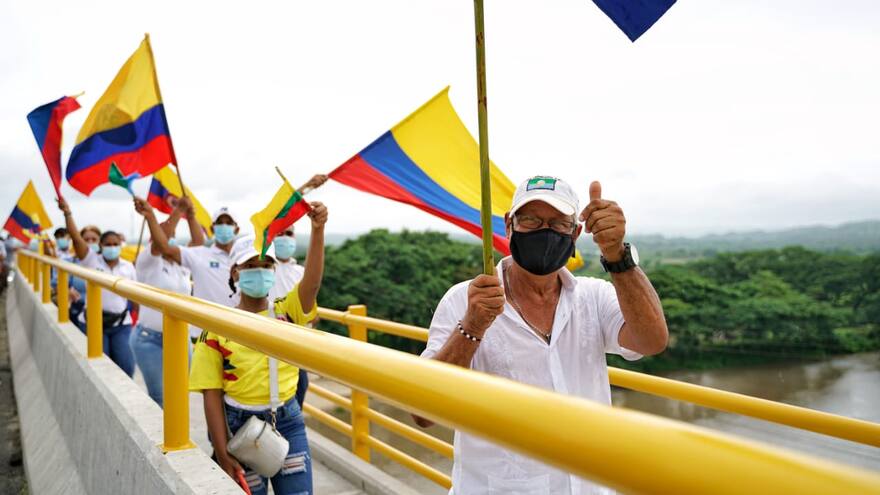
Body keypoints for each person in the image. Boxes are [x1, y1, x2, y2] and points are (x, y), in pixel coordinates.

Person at [416, 176, 668, 495]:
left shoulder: (594, 297)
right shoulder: (463, 301)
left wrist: (617, 255)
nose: (544, 231)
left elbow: (651, 341)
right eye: (531, 220)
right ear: (509, 225)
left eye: (559, 224)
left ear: (576, 233)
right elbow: (423, 413)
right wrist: (473, 327)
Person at [189, 200, 327, 495]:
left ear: (275, 271)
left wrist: (318, 230)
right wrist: (221, 447)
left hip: (287, 420)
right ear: (235, 273)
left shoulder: (286, 312)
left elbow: (311, 285)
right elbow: (211, 394)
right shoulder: (216, 328)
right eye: (251, 266)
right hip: (238, 427)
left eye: (266, 265)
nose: (260, 271)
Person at [131, 195, 201, 406]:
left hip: (180, 337)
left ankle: (179, 439)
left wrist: (191, 216)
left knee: (181, 393)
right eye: (162, 234)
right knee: (160, 398)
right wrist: (176, 211)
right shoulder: (147, 260)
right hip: (149, 339)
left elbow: (199, 246)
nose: (167, 237)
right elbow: (161, 242)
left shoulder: (181, 265)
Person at [58, 198, 139, 376]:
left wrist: (136, 320)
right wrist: (67, 214)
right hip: (95, 323)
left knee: (126, 367)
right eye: (108, 244)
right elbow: (77, 240)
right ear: (100, 246)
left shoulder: (128, 266)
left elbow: (135, 298)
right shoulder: (92, 260)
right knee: (103, 369)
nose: (112, 247)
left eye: (115, 244)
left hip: (121, 324)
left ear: (120, 245)